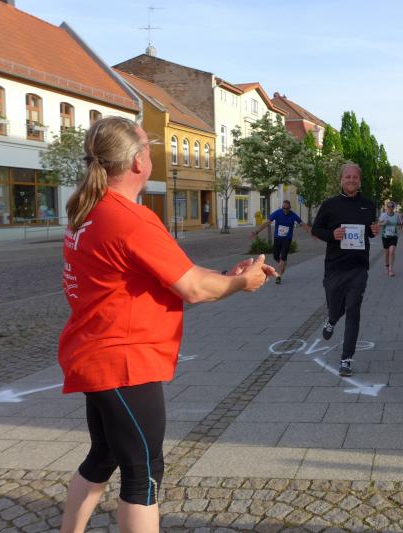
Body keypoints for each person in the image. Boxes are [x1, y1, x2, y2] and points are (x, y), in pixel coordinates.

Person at [57, 117, 276, 533]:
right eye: (148, 147)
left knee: (103, 456)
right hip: (125, 362)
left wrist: (226, 275)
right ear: (138, 162)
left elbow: (176, 273)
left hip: (95, 355)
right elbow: (192, 288)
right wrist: (242, 283)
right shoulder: (131, 218)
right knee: (143, 473)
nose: (151, 153)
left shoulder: (91, 211)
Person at [312, 162, 380, 376]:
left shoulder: (368, 205)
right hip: (335, 266)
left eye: (355, 177)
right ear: (341, 180)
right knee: (335, 307)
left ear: (360, 181)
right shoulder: (330, 205)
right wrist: (331, 235)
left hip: (358, 266)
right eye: (348, 177)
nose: (351, 180)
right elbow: (316, 229)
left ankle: (346, 359)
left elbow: (370, 231)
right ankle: (332, 319)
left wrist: (374, 230)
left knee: (353, 309)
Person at [250, 199, 310, 284]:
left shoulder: (293, 215)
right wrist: (256, 232)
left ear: (290, 208)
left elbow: (302, 224)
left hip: (287, 239)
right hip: (277, 238)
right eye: (283, 208)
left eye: (287, 208)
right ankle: (282, 264)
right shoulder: (277, 213)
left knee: (283, 256)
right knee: (275, 256)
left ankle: (278, 276)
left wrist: (311, 232)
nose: (285, 210)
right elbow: (267, 223)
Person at [379, 201, 403, 276]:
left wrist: (401, 223)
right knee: (386, 253)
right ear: (387, 207)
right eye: (389, 206)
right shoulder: (383, 215)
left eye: (392, 206)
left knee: (392, 251)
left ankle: (391, 270)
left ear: (394, 207)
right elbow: (379, 224)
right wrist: (383, 223)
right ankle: (387, 267)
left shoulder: (396, 215)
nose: (390, 208)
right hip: (385, 236)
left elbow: (399, 223)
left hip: (394, 236)